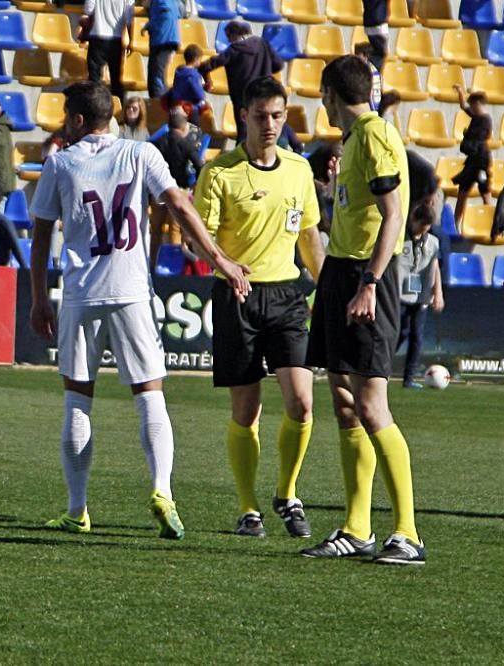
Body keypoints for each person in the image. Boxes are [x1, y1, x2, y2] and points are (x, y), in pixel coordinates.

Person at [28, 80, 251, 539]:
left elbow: (39, 237)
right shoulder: (142, 154)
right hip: (130, 291)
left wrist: (36, 298)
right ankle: (162, 490)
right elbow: (180, 207)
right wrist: (221, 260)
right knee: (150, 395)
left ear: (75, 120)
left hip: (80, 294)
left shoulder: (59, 163)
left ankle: (77, 509)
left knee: (77, 398)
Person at [301, 55, 425, 565]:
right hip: (340, 270)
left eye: (322, 94)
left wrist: (371, 283)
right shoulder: (355, 140)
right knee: (345, 403)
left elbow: (395, 215)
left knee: (372, 405)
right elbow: (368, 208)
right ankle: (357, 527)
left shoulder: (374, 135)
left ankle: (408, 533)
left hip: (364, 277)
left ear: (330, 92)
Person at [192, 76, 325, 539]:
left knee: (302, 403)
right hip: (237, 296)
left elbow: (309, 236)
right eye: (261, 115)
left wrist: (326, 287)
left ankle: (287, 495)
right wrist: (225, 264)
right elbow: (199, 239)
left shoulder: (298, 169)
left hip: (287, 294)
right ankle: (249, 508)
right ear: (242, 116)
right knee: (246, 411)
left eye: (277, 115)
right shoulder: (220, 172)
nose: (269, 124)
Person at [199, 20, 283, 144]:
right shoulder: (262, 44)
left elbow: (206, 66)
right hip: (265, 95)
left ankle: (242, 161)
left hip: (243, 98)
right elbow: (278, 64)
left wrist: (208, 80)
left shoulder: (233, 50)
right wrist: (264, 71)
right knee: (266, 129)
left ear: (233, 35)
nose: (228, 41)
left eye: (229, 37)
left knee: (244, 133)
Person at [396, 204, 444, 389]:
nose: (424, 230)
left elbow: (434, 266)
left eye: (427, 227)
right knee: (399, 332)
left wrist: (437, 292)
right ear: (413, 219)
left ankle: (409, 378)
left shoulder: (433, 242)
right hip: (399, 293)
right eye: (421, 225)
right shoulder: (399, 238)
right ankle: (380, 370)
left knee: (417, 335)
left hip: (421, 295)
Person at [149, 110, 202, 269]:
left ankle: (153, 264)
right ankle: (173, 266)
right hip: (178, 191)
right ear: (183, 126)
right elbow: (199, 166)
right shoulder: (186, 144)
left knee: (156, 230)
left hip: (158, 191)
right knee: (175, 230)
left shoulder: (158, 143)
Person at [451, 85, 493, 230]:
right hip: (472, 162)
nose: (472, 108)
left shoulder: (485, 121)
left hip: (481, 162)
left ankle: (492, 223)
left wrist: (467, 143)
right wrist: (460, 92)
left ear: (479, 104)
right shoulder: (476, 116)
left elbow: (478, 142)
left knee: (485, 192)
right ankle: (456, 223)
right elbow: (464, 106)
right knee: (462, 191)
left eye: (474, 105)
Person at [82, 0, 134, 104]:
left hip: (97, 36)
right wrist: (131, 40)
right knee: (115, 80)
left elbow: (88, 9)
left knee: (94, 80)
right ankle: (118, 109)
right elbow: (129, 18)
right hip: (116, 39)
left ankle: (93, 109)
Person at [141, 0, 182, 99]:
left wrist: (148, 26)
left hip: (163, 39)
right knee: (158, 76)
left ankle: (158, 107)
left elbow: (165, 14)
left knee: (156, 78)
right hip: (164, 39)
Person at [167, 44, 211, 132]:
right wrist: (202, 92)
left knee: (176, 130)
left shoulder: (179, 71)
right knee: (193, 132)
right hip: (190, 109)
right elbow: (198, 94)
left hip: (176, 106)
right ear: (196, 59)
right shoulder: (193, 75)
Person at [361, 0, 389, 70]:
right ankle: (373, 71)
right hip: (379, 20)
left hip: (368, 20)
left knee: (376, 50)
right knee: (381, 53)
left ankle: (370, 68)